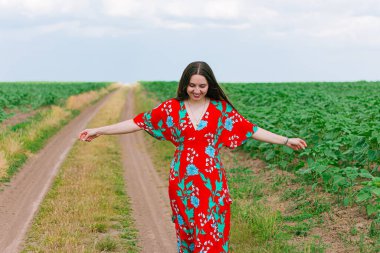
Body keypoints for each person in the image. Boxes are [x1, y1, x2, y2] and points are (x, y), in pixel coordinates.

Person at [78, 61, 307, 253]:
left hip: (212, 182)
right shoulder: (172, 109)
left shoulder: (221, 110)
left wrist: (286, 140)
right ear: (185, 85)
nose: (196, 90)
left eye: (202, 86)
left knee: (212, 235)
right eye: (192, 85)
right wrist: (99, 130)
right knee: (188, 234)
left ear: (210, 85)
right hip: (182, 182)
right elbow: (138, 122)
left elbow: (251, 129)